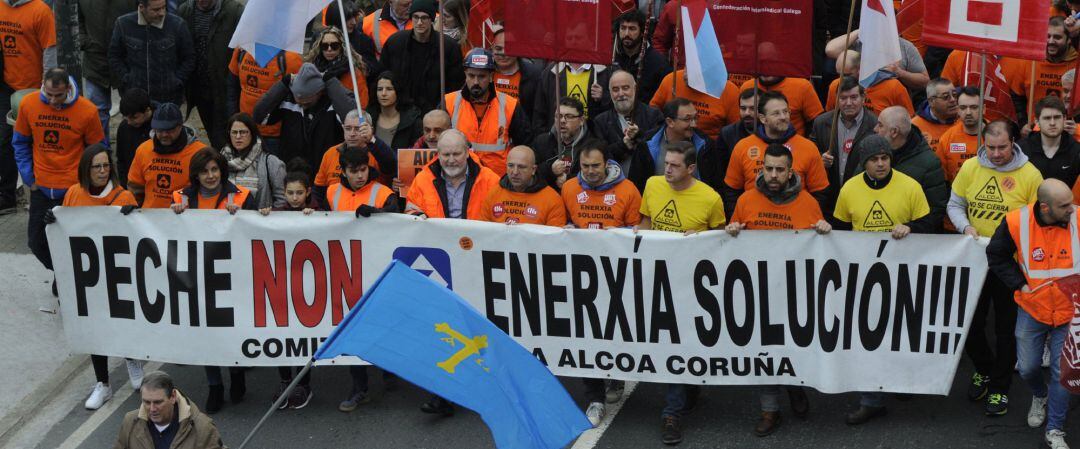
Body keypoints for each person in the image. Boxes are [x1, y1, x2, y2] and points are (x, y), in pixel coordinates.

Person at [725, 143, 826, 436]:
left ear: (790, 171)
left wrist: (823, 231)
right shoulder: (746, 200)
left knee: (794, 346)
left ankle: (795, 387)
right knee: (764, 352)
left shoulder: (808, 202)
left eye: (779, 169)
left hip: (795, 293)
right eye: (767, 168)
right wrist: (732, 232)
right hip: (759, 292)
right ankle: (770, 410)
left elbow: (820, 250)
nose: (772, 174)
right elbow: (732, 247)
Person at [833, 135, 933, 425]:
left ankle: (901, 382)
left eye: (885, 158)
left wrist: (911, 227)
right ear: (864, 162)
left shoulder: (910, 186)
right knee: (867, 337)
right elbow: (840, 230)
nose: (880, 164)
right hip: (863, 277)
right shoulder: (850, 189)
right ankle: (870, 400)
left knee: (901, 333)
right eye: (874, 159)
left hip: (904, 274)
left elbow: (929, 225)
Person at [948, 120, 1043, 416]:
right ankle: (984, 370)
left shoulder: (1030, 174)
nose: (997, 154)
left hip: (1010, 265)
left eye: (1002, 147)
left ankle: (1000, 388)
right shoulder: (971, 168)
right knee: (970, 324)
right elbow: (954, 204)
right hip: (974, 260)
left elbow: (1037, 220)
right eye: (991, 147)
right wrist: (965, 227)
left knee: (1005, 329)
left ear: (1013, 142)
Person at [637, 141, 726, 445]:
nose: (668, 170)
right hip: (657, 279)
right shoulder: (652, 185)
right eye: (666, 164)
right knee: (668, 341)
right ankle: (674, 408)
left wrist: (700, 238)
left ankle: (680, 399)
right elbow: (646, 220)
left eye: (675, 166)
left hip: (692, 284)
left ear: (691, 168)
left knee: (684, 340)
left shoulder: (710, 198)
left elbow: (720, 239)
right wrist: (640, 232)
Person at [987, 179, 1076, 449]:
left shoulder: (1078, 218)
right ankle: (1040, 395)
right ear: (1045, 207)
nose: (1072, 209)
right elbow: (996, 254)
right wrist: (1019, 284)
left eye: (1071, 202)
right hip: (1032, 308)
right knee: (1027, 368)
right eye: (1064, 206)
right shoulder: (1016, 222)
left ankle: (1055, 430)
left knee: (1063, 374)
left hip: (1069, 312)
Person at [56, 145, 142, 410]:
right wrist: (53, 220)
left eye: (106, 166)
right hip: (88, 274)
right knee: (96, 328)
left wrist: (132, 216)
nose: (103, 171)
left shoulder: (123, 196)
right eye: (97, 166)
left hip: (117, 272)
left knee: (123, 319)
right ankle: (102, 384)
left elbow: (138, 236)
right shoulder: (73, 193)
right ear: (86, 169)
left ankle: (132, 357)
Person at [13, 68, 105, 294]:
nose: (53, 101)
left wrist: (88, 185)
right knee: (36, 242)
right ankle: (66, 274)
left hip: (73, 190)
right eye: (48, 94)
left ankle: (72, 282)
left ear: (69, 89)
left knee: (75, 242)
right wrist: (29, 177)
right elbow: (20, 143)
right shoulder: (29, 104)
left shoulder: (87, 111)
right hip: (41, 188)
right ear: (43, 85)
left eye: (59, 96)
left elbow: (98, 151)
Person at [725, 91, 829, 217]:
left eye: (786, 112)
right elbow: (732, 191)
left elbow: (820, 193)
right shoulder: (743, 147)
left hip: (796, 227)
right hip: (754, 227)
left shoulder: (808, 148)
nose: (783, 117)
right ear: (763, 118)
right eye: (776, 113)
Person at [0, 0, 55, 214]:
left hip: (34, 87)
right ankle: (7, 195)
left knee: (34, 141)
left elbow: (50, 50)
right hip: (6, 85)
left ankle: (38, 191)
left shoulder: (40, 11)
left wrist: (46, 87)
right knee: (4, 140)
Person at [253, 62, 356, 173]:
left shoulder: (333, 102)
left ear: (319, 93)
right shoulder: (288, 100)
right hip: (293, 171)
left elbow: (353, 118)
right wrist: (282, 85)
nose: (302, 106)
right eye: (299, 102)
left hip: (324, 169)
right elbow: (258, 115)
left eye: (307, 103)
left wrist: (331, 81)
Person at [443, 47, 530, 176]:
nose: (476, 82)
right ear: (465, 74)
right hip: (459, 180)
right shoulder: (448, 102)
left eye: (481, 76)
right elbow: (432, 140)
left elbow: (525, 145)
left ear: (491, 76)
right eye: (471, 76)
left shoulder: (510, 105)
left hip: (497, 182)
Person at [864, 106, 949, 230]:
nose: (875, 129)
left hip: (908, 242)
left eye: (880, 125)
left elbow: (935, 211)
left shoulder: (929, 163)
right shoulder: (869, 151)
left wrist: (910, 228)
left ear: (894, 132)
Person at [177, 0, 243, 149]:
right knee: (213, 132)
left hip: (225, 86)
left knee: (226, 133)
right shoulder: (185, 11)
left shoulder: (235, 11)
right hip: (200, 88)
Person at [810, 76, 880, 218]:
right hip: (828, 201)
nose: (848, 103)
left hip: (862, 200)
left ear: (863, 97)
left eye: (854, 97)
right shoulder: (821, 122)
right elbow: (810, 155)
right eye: (843, 98)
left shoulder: (876, 125)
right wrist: (819, 160)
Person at [379, 0, 464, 113]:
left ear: (431, 19)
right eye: (416, 17)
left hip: (435, 112)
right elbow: (383, 75)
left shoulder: (448, 47)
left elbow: (455, 85)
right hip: (401, 111)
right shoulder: (395, 43)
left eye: (424, 18)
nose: (419, 22)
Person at [108, 0, 195, 105]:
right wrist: (127, 79)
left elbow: (189, 58)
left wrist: (177, 81)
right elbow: (114, 56)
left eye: (164, 7)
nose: (162, 13)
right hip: (136, 99)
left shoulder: (177, 25)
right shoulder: (123, 24)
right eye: (156, 9)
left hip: (168, 99)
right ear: (141, 7)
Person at [628, 98, 722, 193]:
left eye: (695, 118)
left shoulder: (706, 145)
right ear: (670, 122)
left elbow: (715, 185)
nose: (694, 124)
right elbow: (636, 185)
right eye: (687, 119)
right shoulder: (646, 144)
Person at [114, 371, 224, 449]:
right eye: (147, 402)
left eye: (158, 402)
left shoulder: (202, 428)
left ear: (173, 397)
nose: (152, 409)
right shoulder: (130, 422)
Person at [405, 129, 499, 220]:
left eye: (456, 154)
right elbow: (410, 210)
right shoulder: (422, 180)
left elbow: (501, 215)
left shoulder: (490, 180)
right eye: (446, 155)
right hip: (435, 235)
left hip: (476, 236)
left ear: (467, 152)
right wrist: (418, 216)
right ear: (438, 154)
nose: (451, 160)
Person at [127, 102, 207, 209]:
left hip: (186, 219)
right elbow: (135, 187)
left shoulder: (200, 152)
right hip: (149, 220)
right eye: (160, 130)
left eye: (170, 130)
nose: (164, 134)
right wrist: (132, 205)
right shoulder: (144, 150)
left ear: (180, 126)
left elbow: (209, 190)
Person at [314, 109, 395, 208]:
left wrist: (372, 139)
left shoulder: (377, 152)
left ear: (370, 129)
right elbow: (319, 191)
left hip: (373, 217)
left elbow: (392, 164)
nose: (352, 134)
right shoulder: (330, 153)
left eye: (357, 129)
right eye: (348, 128)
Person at [78, 0, 132, 145]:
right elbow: (76, 19)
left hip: (126, 60)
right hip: (95, 59)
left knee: (132, 109)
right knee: (97, 112)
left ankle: (131, 153)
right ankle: (101, 153)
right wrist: (85, 41)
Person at [1005, 16, 1077, 122]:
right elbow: (1017, 98)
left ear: (1069, 39)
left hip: (1068, 130)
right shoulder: (1030, 61)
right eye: (1047, 36)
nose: (1051, 41)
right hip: (1034, 130)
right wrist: (1023, 124)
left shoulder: (1077, 65)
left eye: (1057, 37)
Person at [592, 70, 664, 170]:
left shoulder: (654, 115)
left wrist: (639, 135)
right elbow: (600, 156)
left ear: (634, 89)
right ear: (610, 93)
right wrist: (623, 145)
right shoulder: (600, 121)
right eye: (615, 89)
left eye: (625, 88)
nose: (621, 94)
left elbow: (659, 148)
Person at [479, 145, 567, 225]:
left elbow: (555, 240)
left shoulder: (552, 200)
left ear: (533, 170)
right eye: (511, 166)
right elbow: (483, 232)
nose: (515, 172)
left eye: (521, 167)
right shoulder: (494, 194)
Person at [220, 113, 286, 212]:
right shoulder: (220, 161)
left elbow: (282, 201)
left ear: (252, 133)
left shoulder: (271, 163)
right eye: (234, 132)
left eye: (243, 132)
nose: (238, 136)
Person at [529, 96, 598, 188]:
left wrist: (569, 179)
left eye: (569, 116)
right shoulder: (542, 142)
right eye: (559, 116)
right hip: (549, 197)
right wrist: (550, 170)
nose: (562, 121)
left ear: (581, 120)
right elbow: (528, 172)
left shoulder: (594, 145)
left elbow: (598, 175)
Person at [650, 71, 739, 140]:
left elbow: (735, 131)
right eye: (687, 66)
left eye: (694, 71)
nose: (685, 75)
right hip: (670, 142)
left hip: (708, 151)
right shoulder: (671, 80)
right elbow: (652, 114)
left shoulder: (728, 91)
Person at [826, 50, 914, 116]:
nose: (842, 79)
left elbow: (908, 120)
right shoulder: (836, 85)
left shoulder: (893, 87)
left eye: (847, 75)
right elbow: (830, 117)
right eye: (839, 75)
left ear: (861, 69)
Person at [170, 146, 256, 213]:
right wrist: (172, 215)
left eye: (214, 169)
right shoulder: (179, 198)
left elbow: (254, 230)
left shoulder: (243, 196)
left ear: (221, 171)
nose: (210, 176)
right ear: (196, 175)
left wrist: (241, 215)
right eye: (204, 171)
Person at [533, 60, 612, 132]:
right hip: (558, 140)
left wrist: (604, 97)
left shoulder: (604, 72)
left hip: (592, 139)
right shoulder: (551, 72)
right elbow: (539, 113)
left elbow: (614, 111)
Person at [611, 10, 671, 102]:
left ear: (643, 32)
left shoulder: (658, 63)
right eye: (623, 28)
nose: (626, 33)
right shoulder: (611, 57)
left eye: (632, 29)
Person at [1020, 96, 1080, 187]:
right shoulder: (1021, 149)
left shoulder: (1077, 151)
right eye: (1047, 118)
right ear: (1037, 121)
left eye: (1057, 117)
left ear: (1064, 119)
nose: (1052, 123)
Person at [738, 76, 823, 136]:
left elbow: (817, 124)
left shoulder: (802, 86)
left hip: (794, 149)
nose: (767, 68)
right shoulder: (747, 86)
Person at [326, 144, 400, 213]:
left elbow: (395, 222)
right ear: (344, 173)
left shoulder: (385, 194)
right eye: (354, 171)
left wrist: (376, 212)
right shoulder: (331, 192)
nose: (360, 176)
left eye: (363, 169)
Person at [305, 26, 369, 103]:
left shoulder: (353, 73)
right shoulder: (313, 69)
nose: (329, 49)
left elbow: (362, 103)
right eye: (324, 46)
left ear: (342, 47)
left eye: (334, 45)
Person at [490, 26, 542, 117]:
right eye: (498, 49)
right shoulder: (484, 72)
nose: (503, 53)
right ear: (492, 49)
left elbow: (538, 113)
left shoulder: (534, 75)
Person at [936, 87, 984, 182]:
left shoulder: (995, 136)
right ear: (957, 110)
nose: (968, 112)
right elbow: (941, 178)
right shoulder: (947, 139)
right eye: (963, 108)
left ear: (983, 109)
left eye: (974, 107)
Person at [368, 71, 422, 151]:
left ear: (398, 91)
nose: (383, 93)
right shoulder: (368, 118)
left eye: (389, 89)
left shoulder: (413, 121)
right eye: (379, 89)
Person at [115, 89, 153, 188]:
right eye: (126, 117)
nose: (129, 122)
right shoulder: (124, 127)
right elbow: (121, 160)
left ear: (147, 110)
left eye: (134, 117)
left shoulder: (160, 129)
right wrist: (124, 185)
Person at [912, 79, 959, 154]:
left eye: (954, 95)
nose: (953, 100)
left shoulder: (965, 119)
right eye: (946, 97)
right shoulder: (915, 126)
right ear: (931, 101)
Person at [717, 89, 758, 162]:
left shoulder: (772, 133)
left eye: (752, 108)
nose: (747, 113)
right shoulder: (727, 134)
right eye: (743, 108)